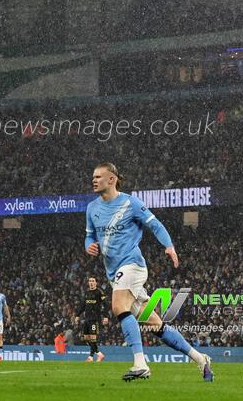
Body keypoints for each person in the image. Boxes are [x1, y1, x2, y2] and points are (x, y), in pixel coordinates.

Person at [85, 162, 213, 382]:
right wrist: (89, 246)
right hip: (114, 273)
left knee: (118, 306)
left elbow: (155, 225)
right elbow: (89, 236)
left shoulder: (130, 203)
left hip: (132, 264)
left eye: (98, 176)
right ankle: (200, 358)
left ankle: (140, 363)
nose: (94, 180)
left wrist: (169, 246)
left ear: (112, 179)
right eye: (93, 176)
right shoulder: (92, 208)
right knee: (155, 324)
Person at [75, 276, 108, 362]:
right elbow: (83, 305)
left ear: (96, 283)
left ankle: (92, 356)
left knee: (93, 338)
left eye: (93, 281)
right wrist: (77, 315)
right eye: (90, 281)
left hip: (95, 319)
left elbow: (106, 304)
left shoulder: (99, 292)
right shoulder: (86, 293)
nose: (91, 282)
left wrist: (106, 316)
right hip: (87, 319)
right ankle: (97, 354)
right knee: (86, 338)